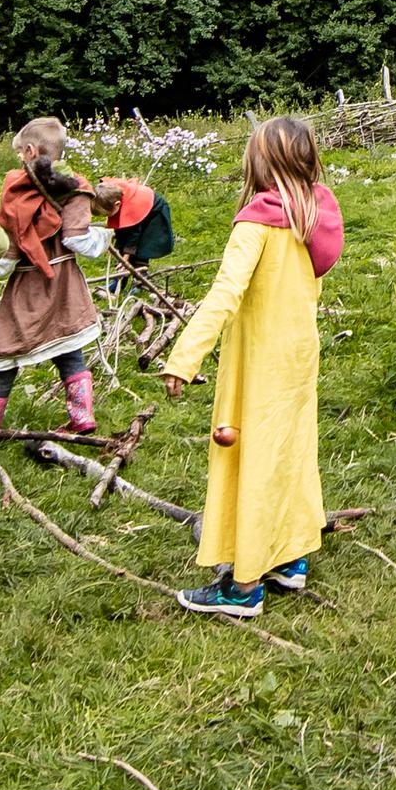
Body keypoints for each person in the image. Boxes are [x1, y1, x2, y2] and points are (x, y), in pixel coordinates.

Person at [157, 114, 340, 619]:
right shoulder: (315, 212)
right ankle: (291, 557)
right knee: (290, 450)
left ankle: (242, 588)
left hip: (258, 362)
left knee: (253, 459)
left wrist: (185, 356)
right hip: (298, 356)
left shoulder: (260, 219)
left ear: (259, 161)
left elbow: (225, 292)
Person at [0, 119, 103, 453]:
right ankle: (82, 415)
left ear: (31, 151)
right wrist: (104, 239)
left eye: (20, 152)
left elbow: (5, 257)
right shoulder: (77, 187)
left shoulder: (15, 191)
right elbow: (79, 242)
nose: (19, 158)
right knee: (69, 347)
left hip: (28, 286)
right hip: (66, 286)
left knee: (3, 351)